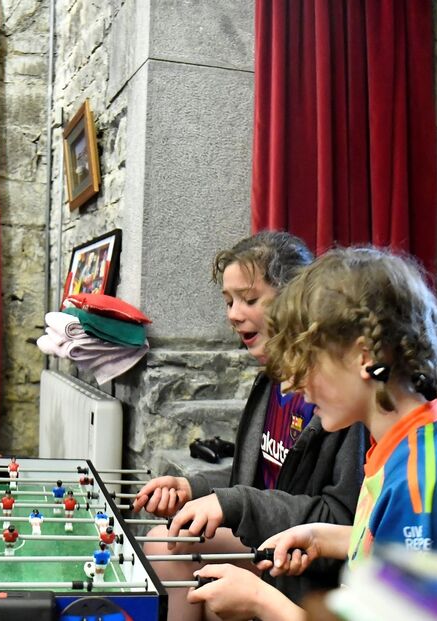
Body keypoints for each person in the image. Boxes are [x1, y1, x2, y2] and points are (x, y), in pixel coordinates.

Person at [185, 247, 437, 621]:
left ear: (364, 357)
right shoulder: (413, 437)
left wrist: (263, 602)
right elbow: (391, 546)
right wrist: (322, 537)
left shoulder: (421, 481)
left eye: (306, 361)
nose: (291, 386)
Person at [132, 232, 367, 618]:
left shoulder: (340, 400)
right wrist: (197, 489)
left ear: (296, 300)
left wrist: (234, 503)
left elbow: (343, 521)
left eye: (250, 299)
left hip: (307, 569)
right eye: (229, 301)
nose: (233, 314)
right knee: (166, 542)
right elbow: (259, 481)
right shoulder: (269, 380)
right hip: (270, 542)